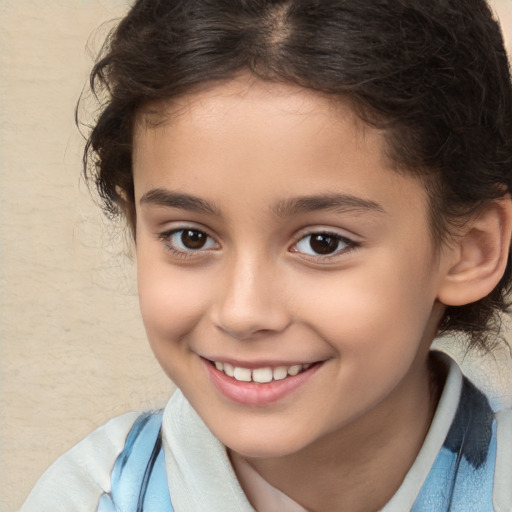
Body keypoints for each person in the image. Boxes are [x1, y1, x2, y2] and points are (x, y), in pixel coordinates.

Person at [21, 0, 512, 511]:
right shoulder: (90, 497)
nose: (242, 312)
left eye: (323, 242)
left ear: (470, 249)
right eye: (190, 237)